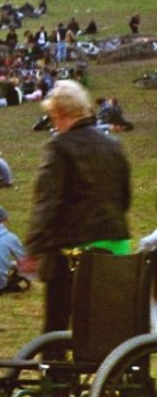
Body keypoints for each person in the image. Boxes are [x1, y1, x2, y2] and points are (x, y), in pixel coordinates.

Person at [26, 81, 132, 332]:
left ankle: (56, 370)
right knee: (105, 325)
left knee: (57, 326)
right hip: (115, 247)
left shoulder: (59, 147)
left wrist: (34, 247)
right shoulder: (114, 146)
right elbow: (124, 199)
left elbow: (47, 202)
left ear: (59, 114)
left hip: (73, 254)